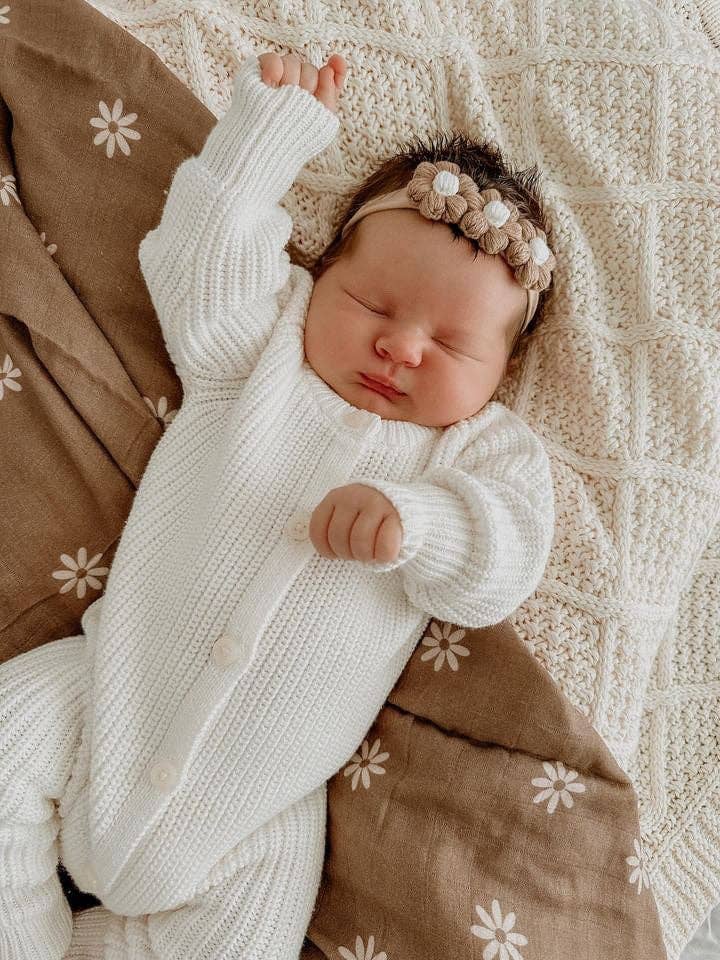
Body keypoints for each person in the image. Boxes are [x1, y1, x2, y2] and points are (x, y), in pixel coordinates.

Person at [0, 50, 557, 960]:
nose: (402, 348)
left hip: (255, 817)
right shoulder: (260, 353)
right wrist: (264, 136)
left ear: (502, 375)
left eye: (453, 345)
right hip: (104, 697)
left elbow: (504, 562)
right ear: (320, 275)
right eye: (373, 304)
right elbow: (199, 259)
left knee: (243, 943)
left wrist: (419, 523)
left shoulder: (478, 454)